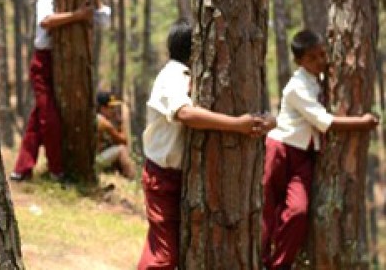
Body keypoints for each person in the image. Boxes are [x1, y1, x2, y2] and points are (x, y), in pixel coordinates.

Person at [138, 19, 271, 270]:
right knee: (165, 257)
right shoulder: (173, 76)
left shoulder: (188, 76)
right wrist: (236, 124)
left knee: (164, 243)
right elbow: (185, 114)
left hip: (179, 177)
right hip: (163, 176)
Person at [261, 29, 379, 270]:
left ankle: (279, 265)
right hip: (281, 149)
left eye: (323, 54)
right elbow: (324, 121)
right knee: (267, 212)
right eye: (313, 58)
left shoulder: (321, 81)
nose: (321, 61)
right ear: (299, 62)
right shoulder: (296, 87)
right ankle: (261, 259)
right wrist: (363, 123)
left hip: (305, 156)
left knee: (297, 211)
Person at [10, 0, 110, 181]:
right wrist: (77, 15)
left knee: (38, 117)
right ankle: (57, 171)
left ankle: (22, 169)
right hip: (44, 61)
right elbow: (46, 21)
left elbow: (104, 19)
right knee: (48, 118)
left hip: (67, 63)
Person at [95, 91, 135, 179]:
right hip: (96, 161)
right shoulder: (103, 122)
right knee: (121, 150)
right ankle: (132, 180)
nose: (113, 110)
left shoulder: (99, 119)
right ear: (102, 108)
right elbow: (123, 141)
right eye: (111, 107)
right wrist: (120, 123)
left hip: (98, 159)